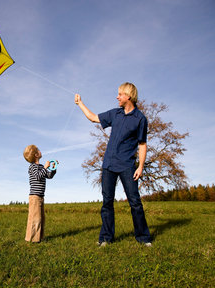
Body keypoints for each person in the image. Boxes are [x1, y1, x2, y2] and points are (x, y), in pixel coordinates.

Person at [74, 82, 152, 247]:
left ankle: (143, 238)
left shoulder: (140, 119)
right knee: (107, 202)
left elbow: (142, 144)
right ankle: (106, 238)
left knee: (135, 202)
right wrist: (80, 103)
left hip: (127, 165)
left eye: (120, 94)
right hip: (108, 163)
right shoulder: (115, 114)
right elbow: (94, 118)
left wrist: (141, 166)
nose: (117, 97)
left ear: (128, 96)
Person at [23, 145, 57, 243]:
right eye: (38, 150)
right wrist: (45, 167)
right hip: (34, 197)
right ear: (36, 155)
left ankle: (39, 238)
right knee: (35, 218)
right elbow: (38, 176)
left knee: (41, 218)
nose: (40, 150)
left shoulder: (41, 167)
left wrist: (53, 168)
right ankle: (32, 239)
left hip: (41, 196)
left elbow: (49, 176)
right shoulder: (32, 167)